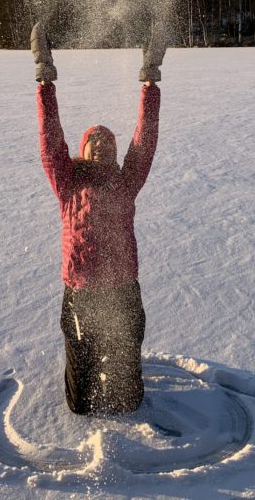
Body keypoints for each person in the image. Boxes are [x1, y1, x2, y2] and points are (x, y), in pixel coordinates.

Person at [31, 22, 166, 415]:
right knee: (80, 403)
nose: (101, 147)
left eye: (107, 143)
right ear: (83, 148)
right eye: (94, 141)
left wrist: (150, 83)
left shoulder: (127, 182)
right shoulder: (67, 183)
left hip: (122, 290)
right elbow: (49, 137)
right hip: (81, 292)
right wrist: (44, 81)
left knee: (128, 400)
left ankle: (125, 371)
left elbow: (146, 138)